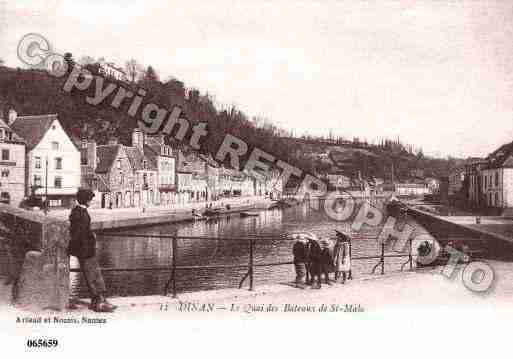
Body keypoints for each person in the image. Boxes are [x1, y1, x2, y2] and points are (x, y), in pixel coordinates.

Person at [69, 189, 116, 312]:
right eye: (90, 199)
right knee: (93, 275)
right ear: (86, 200)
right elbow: (80, 234)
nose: (91, 201)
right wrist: (89, 244)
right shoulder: (80, 213)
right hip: (85, 250)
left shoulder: (78, 211)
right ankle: (99, 303)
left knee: (94, 275)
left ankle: (98, 300)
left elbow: (81, 231)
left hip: (85, 249)